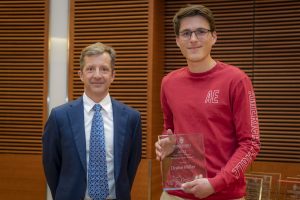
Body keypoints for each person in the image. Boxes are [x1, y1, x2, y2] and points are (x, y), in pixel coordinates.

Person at [155, 4, 260, 200]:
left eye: (201, 32)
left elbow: (250, 144)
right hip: (177, 193)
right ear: (177, 41)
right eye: (186, 33)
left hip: (224, 194)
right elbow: (169, 129)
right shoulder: (168, 82)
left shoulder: (236, 80)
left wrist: (215, 183)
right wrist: (166, 146)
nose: (193, 39)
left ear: (214, 37)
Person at [43, 42, 142, 200]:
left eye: (104, 69)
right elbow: (51, 165)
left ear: (113, 75)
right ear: (81, 74)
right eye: (90, 69)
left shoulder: (131, 118)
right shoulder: (59, 117)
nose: (97, 75)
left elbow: (130, 166)